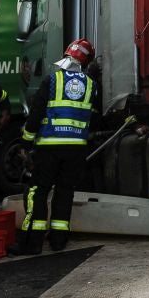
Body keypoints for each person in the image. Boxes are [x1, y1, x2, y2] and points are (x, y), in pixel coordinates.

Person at [10, 39, 99, 256]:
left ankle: (32, 243)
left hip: (48, 147)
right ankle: (59, 240)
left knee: (37, 192)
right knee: (64, 192)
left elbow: (36, 114)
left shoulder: (52, 80)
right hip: (76, 148)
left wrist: (25, 142)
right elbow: (92, 118)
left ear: (67, 54)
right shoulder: (91, 85)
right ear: (86, 61)